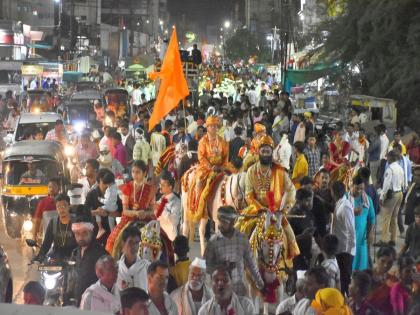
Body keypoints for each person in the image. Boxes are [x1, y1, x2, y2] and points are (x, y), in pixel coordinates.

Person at [204, 206, 265, 296]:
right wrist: (220, 267)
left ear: (233, 223)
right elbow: (205, 266)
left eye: (224, 222)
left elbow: (251, 264)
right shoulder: (213, 242)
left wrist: (260, 284)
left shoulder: (242, 239)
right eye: (219, 221)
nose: (219, 225)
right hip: (219, 292)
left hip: (238, 291)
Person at [106, 160, 157, 256]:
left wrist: (145, 213)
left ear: (144, 173)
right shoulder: (128, 187)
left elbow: (152, 209)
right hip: (129, 218)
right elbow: (125, 210)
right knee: (112, 241)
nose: (134, 175)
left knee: (163, 240)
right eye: (133, 172)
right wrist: (135, 213)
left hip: (146, 218)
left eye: (138, 172)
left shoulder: (150, 189)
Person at [187, 116, 228, 226]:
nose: (214, 128)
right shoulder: (203, 141)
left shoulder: (223, 141)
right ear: (208, 128)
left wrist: (221, 167)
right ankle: (198, 205)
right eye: (211, 126)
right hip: (205, 168)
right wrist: (210, 166)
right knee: (199, 180)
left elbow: (225, 157)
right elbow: (201, 157)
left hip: (219, 168)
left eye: (215, 126)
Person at [71, 215, 108, 306]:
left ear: (91, 232)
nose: (80, 237)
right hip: (78, 302)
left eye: (84, 233)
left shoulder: (101, 254)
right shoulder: (76, 252)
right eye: (77, 233)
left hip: (95, 304)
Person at [331, 181, 355, 296]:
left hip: (346, 250)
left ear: (333, 192)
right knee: (342, 278)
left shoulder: (345, 207)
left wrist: (348, 252)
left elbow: (351, 231)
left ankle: (348, 301)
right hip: (340, 248)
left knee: (346, 279)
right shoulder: (339, 203)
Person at [36, 194, 77, 260]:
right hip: (57, 257)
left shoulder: (76, 221)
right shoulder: (53, 222)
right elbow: (47, 243)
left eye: (64, 206)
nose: (61, 209)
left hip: (74, 256)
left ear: (69, 206)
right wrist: (39, 256)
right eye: (58, 207)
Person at [348, 174, 376, 270]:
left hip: (361, 238)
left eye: (362, 189)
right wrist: (352, 212)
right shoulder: (345, 199)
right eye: (357, 188)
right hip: (348, 238)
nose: (360, 191)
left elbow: (372, 218)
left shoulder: (367, 200)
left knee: (361, 263)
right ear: (352, 185)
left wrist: (370, 233)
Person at [379, 150, 404, 246]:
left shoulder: (390, 169)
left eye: (388, 157)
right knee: (394, 217)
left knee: (386, 217)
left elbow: (386, 185)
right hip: (399, 193)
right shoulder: (400, 168)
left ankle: (384, 240)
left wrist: (381, 197)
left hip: (392, 195)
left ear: (391, 158)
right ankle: (393, 239)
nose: (387, 159)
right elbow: (403, 182)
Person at [117, 226, 150, 292]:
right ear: (123, 244)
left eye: (136, 243)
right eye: (130, 242)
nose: (134, 246)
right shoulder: (116, 269)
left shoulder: (147, 266)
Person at [155, 171, 181, 241]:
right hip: (158, 237)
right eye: (160, 184)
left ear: (170, 187)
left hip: (169, 239)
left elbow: (174, 221)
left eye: (163, 185)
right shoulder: (161, 199)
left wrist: (160, 209)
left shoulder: (176, 201)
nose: (160, 187)